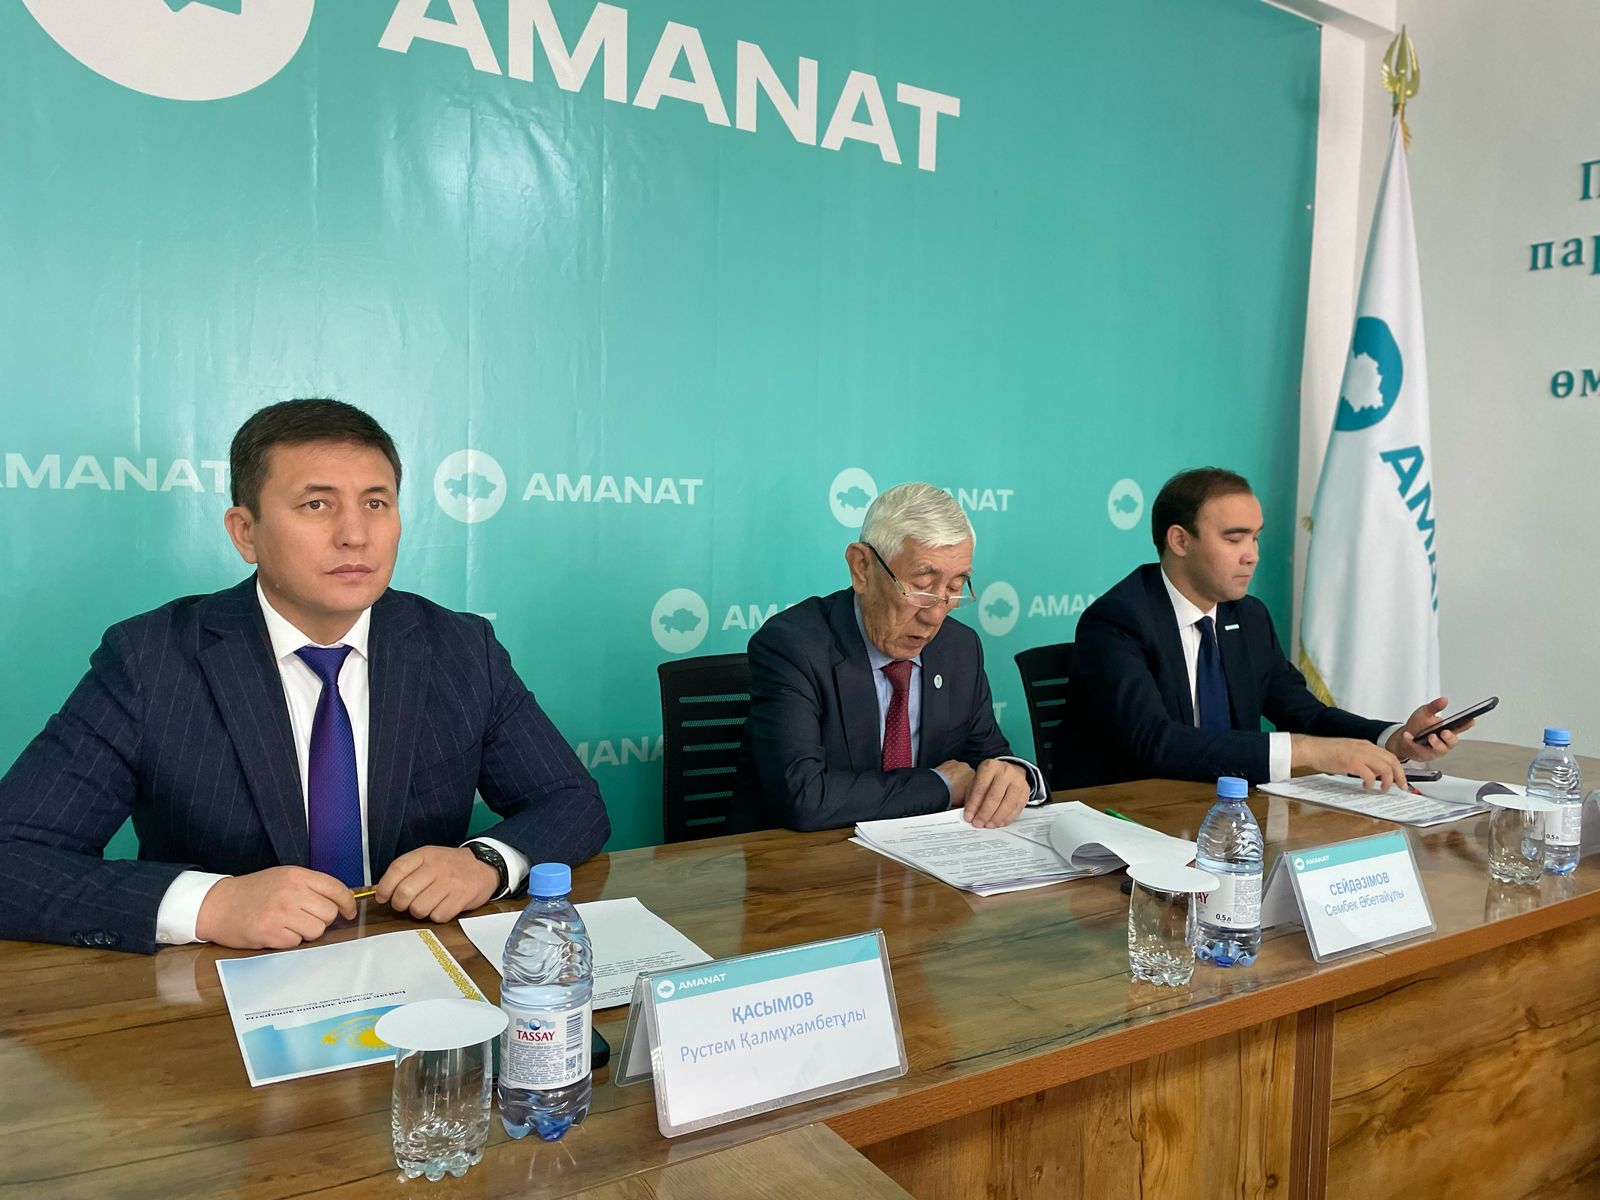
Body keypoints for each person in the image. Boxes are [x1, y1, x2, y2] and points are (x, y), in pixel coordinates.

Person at [0, 399, 608, 954]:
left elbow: (572, 801)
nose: (355, 534)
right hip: (218, 989)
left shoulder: (459, 647)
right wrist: (211, 904)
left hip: (417, 973)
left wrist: (486, 862)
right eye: (317, 504)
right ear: (245, 533)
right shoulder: (150, 659)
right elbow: (13, 858)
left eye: (376, 503)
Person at [1061, 467, 1466, 789]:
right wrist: (1311, 752)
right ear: (1180, 541)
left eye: (1255, 538)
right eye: (1234, 539)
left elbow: (1305, 714)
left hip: (1228, 814)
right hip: (1128, 820)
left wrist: (1392, 738)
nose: (1251, 556)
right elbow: (1157, 742)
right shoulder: (1117, 620)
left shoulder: (1248, 616)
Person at [729, 482, 1045, 833]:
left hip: (926, 856)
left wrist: (1013, 775)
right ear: (862, 568)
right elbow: (805, 796)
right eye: (922, 586)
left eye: (954, 589)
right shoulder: (793, 646)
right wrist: (941, 785)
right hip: (801, 859)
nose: (936, 615)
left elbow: (989, 756)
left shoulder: (960, 648)